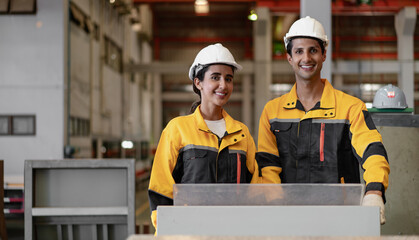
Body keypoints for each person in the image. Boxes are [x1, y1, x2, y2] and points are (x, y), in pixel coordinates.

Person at [256, 16, 390, 224]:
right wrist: (276, 208)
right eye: (299, 51)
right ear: (289, 58)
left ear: (324, 54)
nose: (306, 58)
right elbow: (268, 167)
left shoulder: (350, 108)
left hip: (342, 219)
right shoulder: (272, 112)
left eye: (313, 50)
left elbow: (373, 150)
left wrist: (374, 191)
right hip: (288, 219)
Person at [148, 43, 260, 231]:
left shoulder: (242, 134)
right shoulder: (177, 130)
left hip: (233, 233)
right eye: (215, 77)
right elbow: (161, 192)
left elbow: (256, 192)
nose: (223, 85)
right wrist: (170, 231)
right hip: (189, 233)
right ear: (198, 82)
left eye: (229, 78)